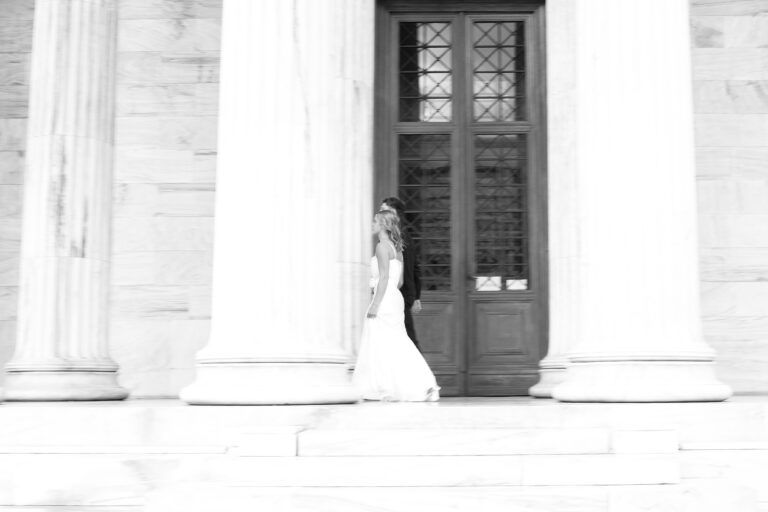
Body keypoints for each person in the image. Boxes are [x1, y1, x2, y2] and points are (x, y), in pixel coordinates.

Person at [352, 210, 439, 402]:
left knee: (380, 342)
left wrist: (375, 304)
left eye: (375, 221)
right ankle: (422, 383)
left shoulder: (382, 247)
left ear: (383, 224)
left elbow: (383, 278)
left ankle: (385, 388)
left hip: (384, 298)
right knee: (398, 341)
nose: (372, 224)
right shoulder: (398, 248)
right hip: (395, 298)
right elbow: (398, 282)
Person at [380, 197, 422, 349]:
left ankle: (420, 370)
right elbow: (416, 267)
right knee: (403, 339)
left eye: (385, 210)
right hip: (404, 295)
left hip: (398, 295)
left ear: (395, 216)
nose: (381, 214)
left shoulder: (396, 238)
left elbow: (401, 273)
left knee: (407, 340)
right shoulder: (403, 236)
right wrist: (417, 296)